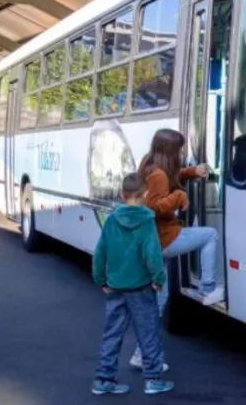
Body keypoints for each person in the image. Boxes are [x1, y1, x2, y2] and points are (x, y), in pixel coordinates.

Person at [128, 128, 224, 369]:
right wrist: (179, 197)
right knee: (210, 235)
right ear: (170, 151)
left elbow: (171, 176)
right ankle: (208, 288)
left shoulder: (149, 165)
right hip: (164, 239)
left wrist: (192, 172)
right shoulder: (159, 175)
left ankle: (142, 355)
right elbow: (153, 207)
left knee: (160, 301)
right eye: (179, 150)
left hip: (152, 243)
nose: (181, 154)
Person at [91, 173, 174, 396]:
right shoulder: (147, 222)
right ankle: (153, 379)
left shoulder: (111, 220)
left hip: (116, 287)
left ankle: (103, 379)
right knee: (148, 333)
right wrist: (159, 279)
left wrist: (100, 279)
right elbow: (152, 254)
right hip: (141, 289)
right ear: (145, 194)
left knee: (112, 333)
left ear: (121, 195)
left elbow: (100, 252)